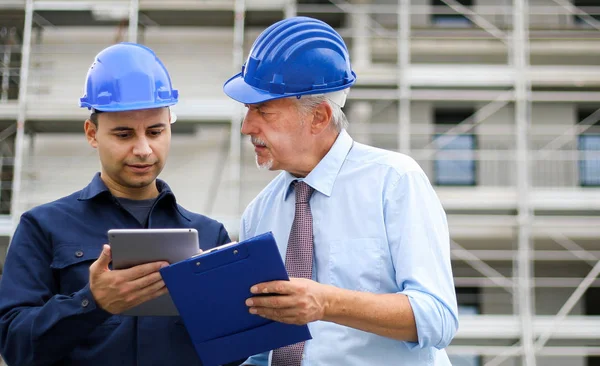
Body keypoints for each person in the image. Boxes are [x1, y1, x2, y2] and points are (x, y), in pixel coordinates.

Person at [223, 17, 459, 365]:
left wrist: (327, 303)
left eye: (263, 111)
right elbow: (264, 350)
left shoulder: (394, 182)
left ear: (319, 117)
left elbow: (437, 318)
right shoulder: (260, 211)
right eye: (247, 110)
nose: (247, 127)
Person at [0, 42, 238, 366]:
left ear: (170, 126)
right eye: (124, 135)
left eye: (155, 131)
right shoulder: (42, 228)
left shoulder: (210, 237)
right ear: (92, 133)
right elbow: (14, 345)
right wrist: (92, 302)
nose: (143, 149)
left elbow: (232, 354)